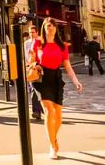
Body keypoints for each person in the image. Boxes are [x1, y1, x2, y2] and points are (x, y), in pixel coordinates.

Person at [29, 18, 83, 160]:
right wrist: (34, 62)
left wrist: (76, 81)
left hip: (56, 79)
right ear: (44, 28)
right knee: (49, 111)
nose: (51, 28)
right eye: (48, 25)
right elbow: (30, 61)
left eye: (53, 25)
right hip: (42, 78)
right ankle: (52, 146)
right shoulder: (38, 43)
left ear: (56, 28)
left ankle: (54, 138)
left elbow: (67, 66)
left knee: (58, 117)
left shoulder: (61, 46)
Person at [24, 27, 43, 121]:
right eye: (30, 32)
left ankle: (43, 109)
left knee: (42, 90)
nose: (31, 34)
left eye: (33, 32)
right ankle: (36, 111)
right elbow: (25, 56)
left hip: (41, 67)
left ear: (37, 32)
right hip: (31, 68)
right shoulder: (26, 43)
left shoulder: (41, 41)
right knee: (33, 89)